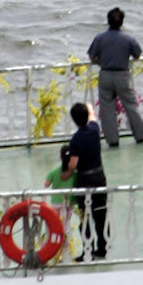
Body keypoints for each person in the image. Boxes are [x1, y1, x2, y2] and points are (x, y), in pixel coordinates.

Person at [87, 7, 143, 148]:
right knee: (130, 105)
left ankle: (112, 140)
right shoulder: (128, 39)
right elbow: (137, 55)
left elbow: (91, 56)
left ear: (108, 21)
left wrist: (100, 62)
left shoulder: (100, 38)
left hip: (105, 74)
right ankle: (140, 135)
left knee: (107, 108)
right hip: (122, 74)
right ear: (122, 22)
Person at [61, 100, 109, 258]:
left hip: (85, 180)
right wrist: (89, 106)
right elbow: (93, 116)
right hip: (99, 176)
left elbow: (73, 164)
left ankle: (88, 248)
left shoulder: (76, 139)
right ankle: (103, 247)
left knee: (86, 215)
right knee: (101, 213)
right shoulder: (94, 130)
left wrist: (65, 173)